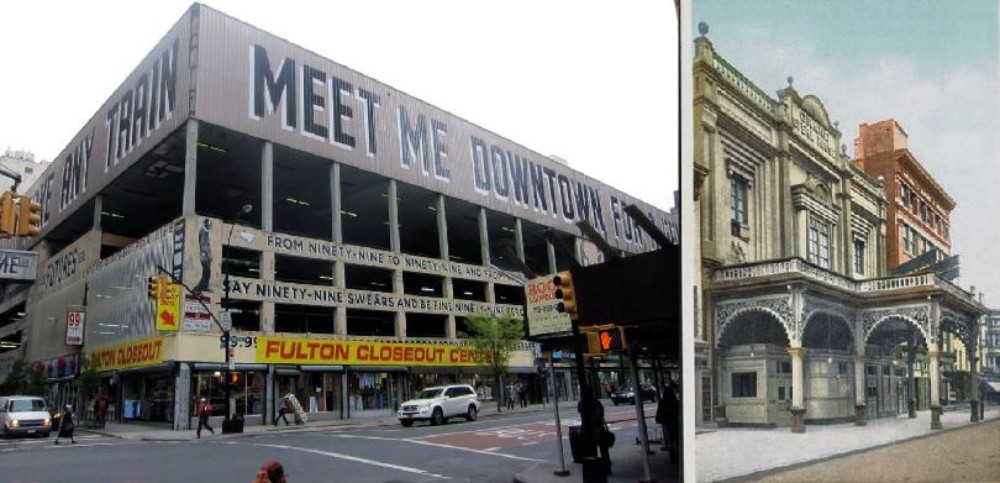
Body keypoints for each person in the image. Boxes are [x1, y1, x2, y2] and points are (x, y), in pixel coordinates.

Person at [577, 389, 612, 475]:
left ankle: (596, 469)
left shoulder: (581, 403)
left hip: (588, 430)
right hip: (597, 428)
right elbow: (600, 414)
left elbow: (580, 411)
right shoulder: (596, 402)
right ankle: (606, 467)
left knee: (592, 451)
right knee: (603, 450)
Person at [656, 379, 680, 463]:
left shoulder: (662, 402)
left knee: (670, 441)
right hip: (675, 422)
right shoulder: (675, 402)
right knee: (676, 440)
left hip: (666, 423)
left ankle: (673, 457)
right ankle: (678, 456)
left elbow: (659, 414)